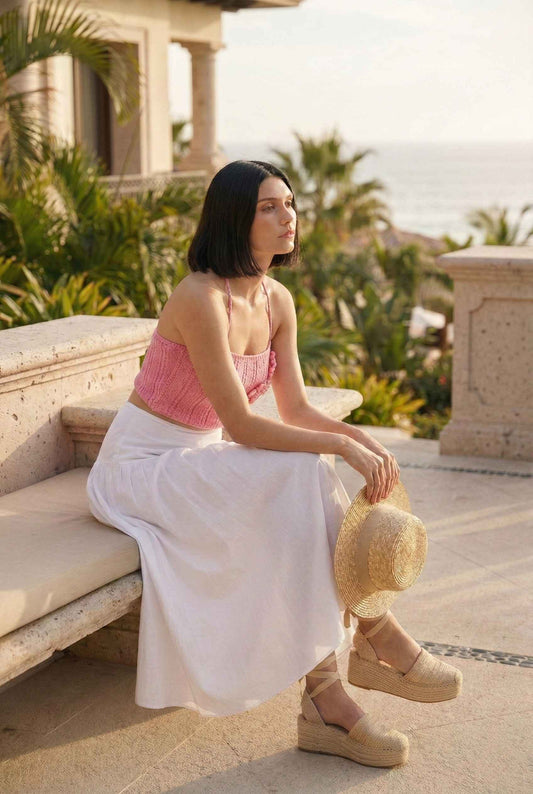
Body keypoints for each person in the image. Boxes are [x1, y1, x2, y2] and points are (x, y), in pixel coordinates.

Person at [86, 160, 453, 768]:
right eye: (269, 207)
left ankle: (331, 693)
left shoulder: (276, 299)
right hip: (142, 467)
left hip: (201, 462)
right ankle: (370, 640)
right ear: (235, 217)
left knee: (298, 487)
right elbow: (241, 424)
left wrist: (361, 439)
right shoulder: (200, 296)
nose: (289, 218)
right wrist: (340, 450)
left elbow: (298, 408)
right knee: (300, 472)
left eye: (289, 204)